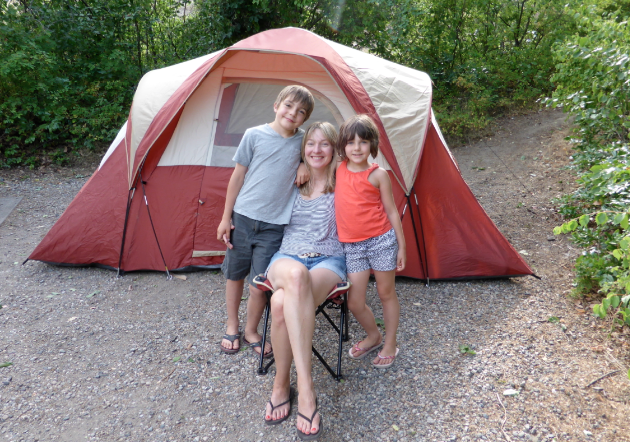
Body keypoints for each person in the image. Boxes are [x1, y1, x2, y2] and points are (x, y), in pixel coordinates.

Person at [216, 85, 314, 358]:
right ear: (276, 105)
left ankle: (251, 330)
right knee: (235, 276)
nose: (292, 114)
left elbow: (318, 156)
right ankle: (232, 324)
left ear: (305, 119)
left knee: (260, 283)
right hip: (243, 218)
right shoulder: (254, 135)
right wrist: (226, 217)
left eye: (301, 112)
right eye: (288, 106)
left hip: (275, 226)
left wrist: (304, 163)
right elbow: (237, 177)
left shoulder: (303, 142)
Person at [263, 122, 344, 440]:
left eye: (325, 144)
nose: (316, 150)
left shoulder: (344, 181)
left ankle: (283, 384)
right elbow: (256, 170)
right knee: (296, 276)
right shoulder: (291, 179)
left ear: (335, 149)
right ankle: (306, 391)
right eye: (311, 144)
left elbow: (369, 164)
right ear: (303, 148)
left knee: (280, 303)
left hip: (329, 261)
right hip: (286, 260)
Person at [334, 114, 406, 369]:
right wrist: (301, 166)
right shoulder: (338, 168)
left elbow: (391, 211)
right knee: (354, 301)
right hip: (352, 245)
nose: (356, 148)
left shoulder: (378, 175)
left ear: (372, 145)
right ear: (342, 145)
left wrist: (401, 246)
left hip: (381, 241)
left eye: (363, 142)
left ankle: (390, 343)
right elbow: (313, 160)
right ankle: (374, 335)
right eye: (350, 142)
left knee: (386, 292)